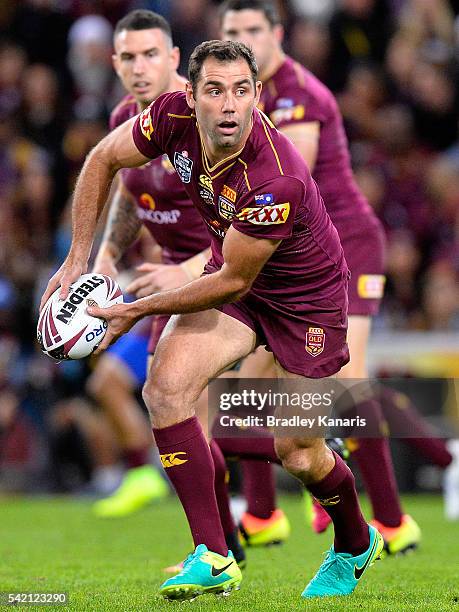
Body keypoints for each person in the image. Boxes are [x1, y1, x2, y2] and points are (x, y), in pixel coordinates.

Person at [40, 40, 384, 601]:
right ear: (191, 94)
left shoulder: (275, 177)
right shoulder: (170, 116)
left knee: (299, 451)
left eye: (242, 91)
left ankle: (354, 540)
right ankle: (215, 555)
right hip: (241, 278)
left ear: (256, 96)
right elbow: (104, 158)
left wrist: (131, 310)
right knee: (166, 388)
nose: (229, 105)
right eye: (216, 91)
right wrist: (79, 257)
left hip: (306, 302)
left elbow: (230, 283)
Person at [219, 0, 421, 554]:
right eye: (232, 31)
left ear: (276, 32)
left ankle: (393, 521)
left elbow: (291, 176)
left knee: (349, 377)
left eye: (252, 29)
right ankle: (261, 514)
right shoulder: (241, 99)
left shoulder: (298, 93)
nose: (243, 38)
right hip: (291, 251)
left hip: (347, 243)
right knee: (246, 386)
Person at [85, 9, 211, 518]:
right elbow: (128, 192)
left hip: (228, 280)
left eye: (151, 55)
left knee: (196, 414)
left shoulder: (206, 117)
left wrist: (191, 267)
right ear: (115, 64)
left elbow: (252, 215)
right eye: (129, 57)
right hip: (166, 285)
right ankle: (147, 478)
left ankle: (234, 534)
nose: (140, 67)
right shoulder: (123, 122)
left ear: (175, 58)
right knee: (120, 386)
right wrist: (108, 255)